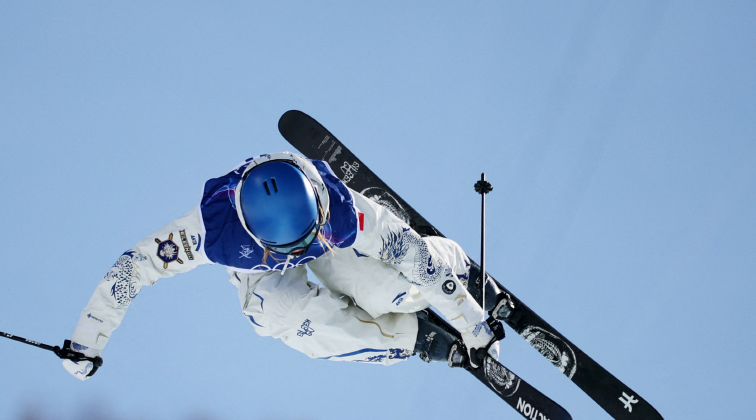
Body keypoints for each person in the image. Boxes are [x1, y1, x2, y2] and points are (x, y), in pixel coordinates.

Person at [61, 152, 498, 379]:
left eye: (304, 240)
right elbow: (132, 269)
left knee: (385, 292)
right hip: (259, 271)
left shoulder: (341, 211)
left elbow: (414, 258)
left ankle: (452, 266)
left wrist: (471, 319)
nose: (297, 251)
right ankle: (414, 337)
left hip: (335, 241)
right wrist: (86, 341)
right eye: (289, 247)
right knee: (283, 318)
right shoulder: (210, 232)